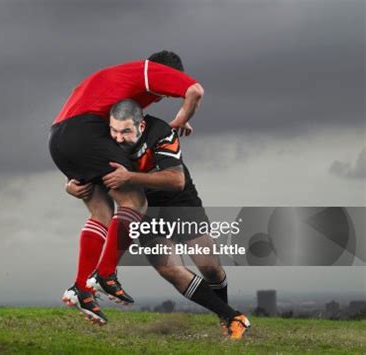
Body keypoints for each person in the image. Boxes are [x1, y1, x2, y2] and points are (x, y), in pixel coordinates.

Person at [66, 99, 251, 340]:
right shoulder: (103, 139)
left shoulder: (160, 132)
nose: (118, 138)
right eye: (114, 130)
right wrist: (71, 185)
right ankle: (232, 317)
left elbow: (177, 180)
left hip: (179, 201)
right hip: (142, 209)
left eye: (125, 131)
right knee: (171, 270)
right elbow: (83, 167)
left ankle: (224, 314)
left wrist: (129, 176)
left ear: (141, 127)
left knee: (210, 267)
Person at [49, 51, 204, 324]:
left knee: (101, 214)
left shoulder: (113, 81)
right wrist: (182, 117)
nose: (161, 98)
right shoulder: (149, 70)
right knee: (135, 202)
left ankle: (82, 289)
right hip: (86, 132)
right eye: (165, 93)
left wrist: (71, 181)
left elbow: (79, 134)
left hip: (59, 138)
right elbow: (195, 90)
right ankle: (105, 274)